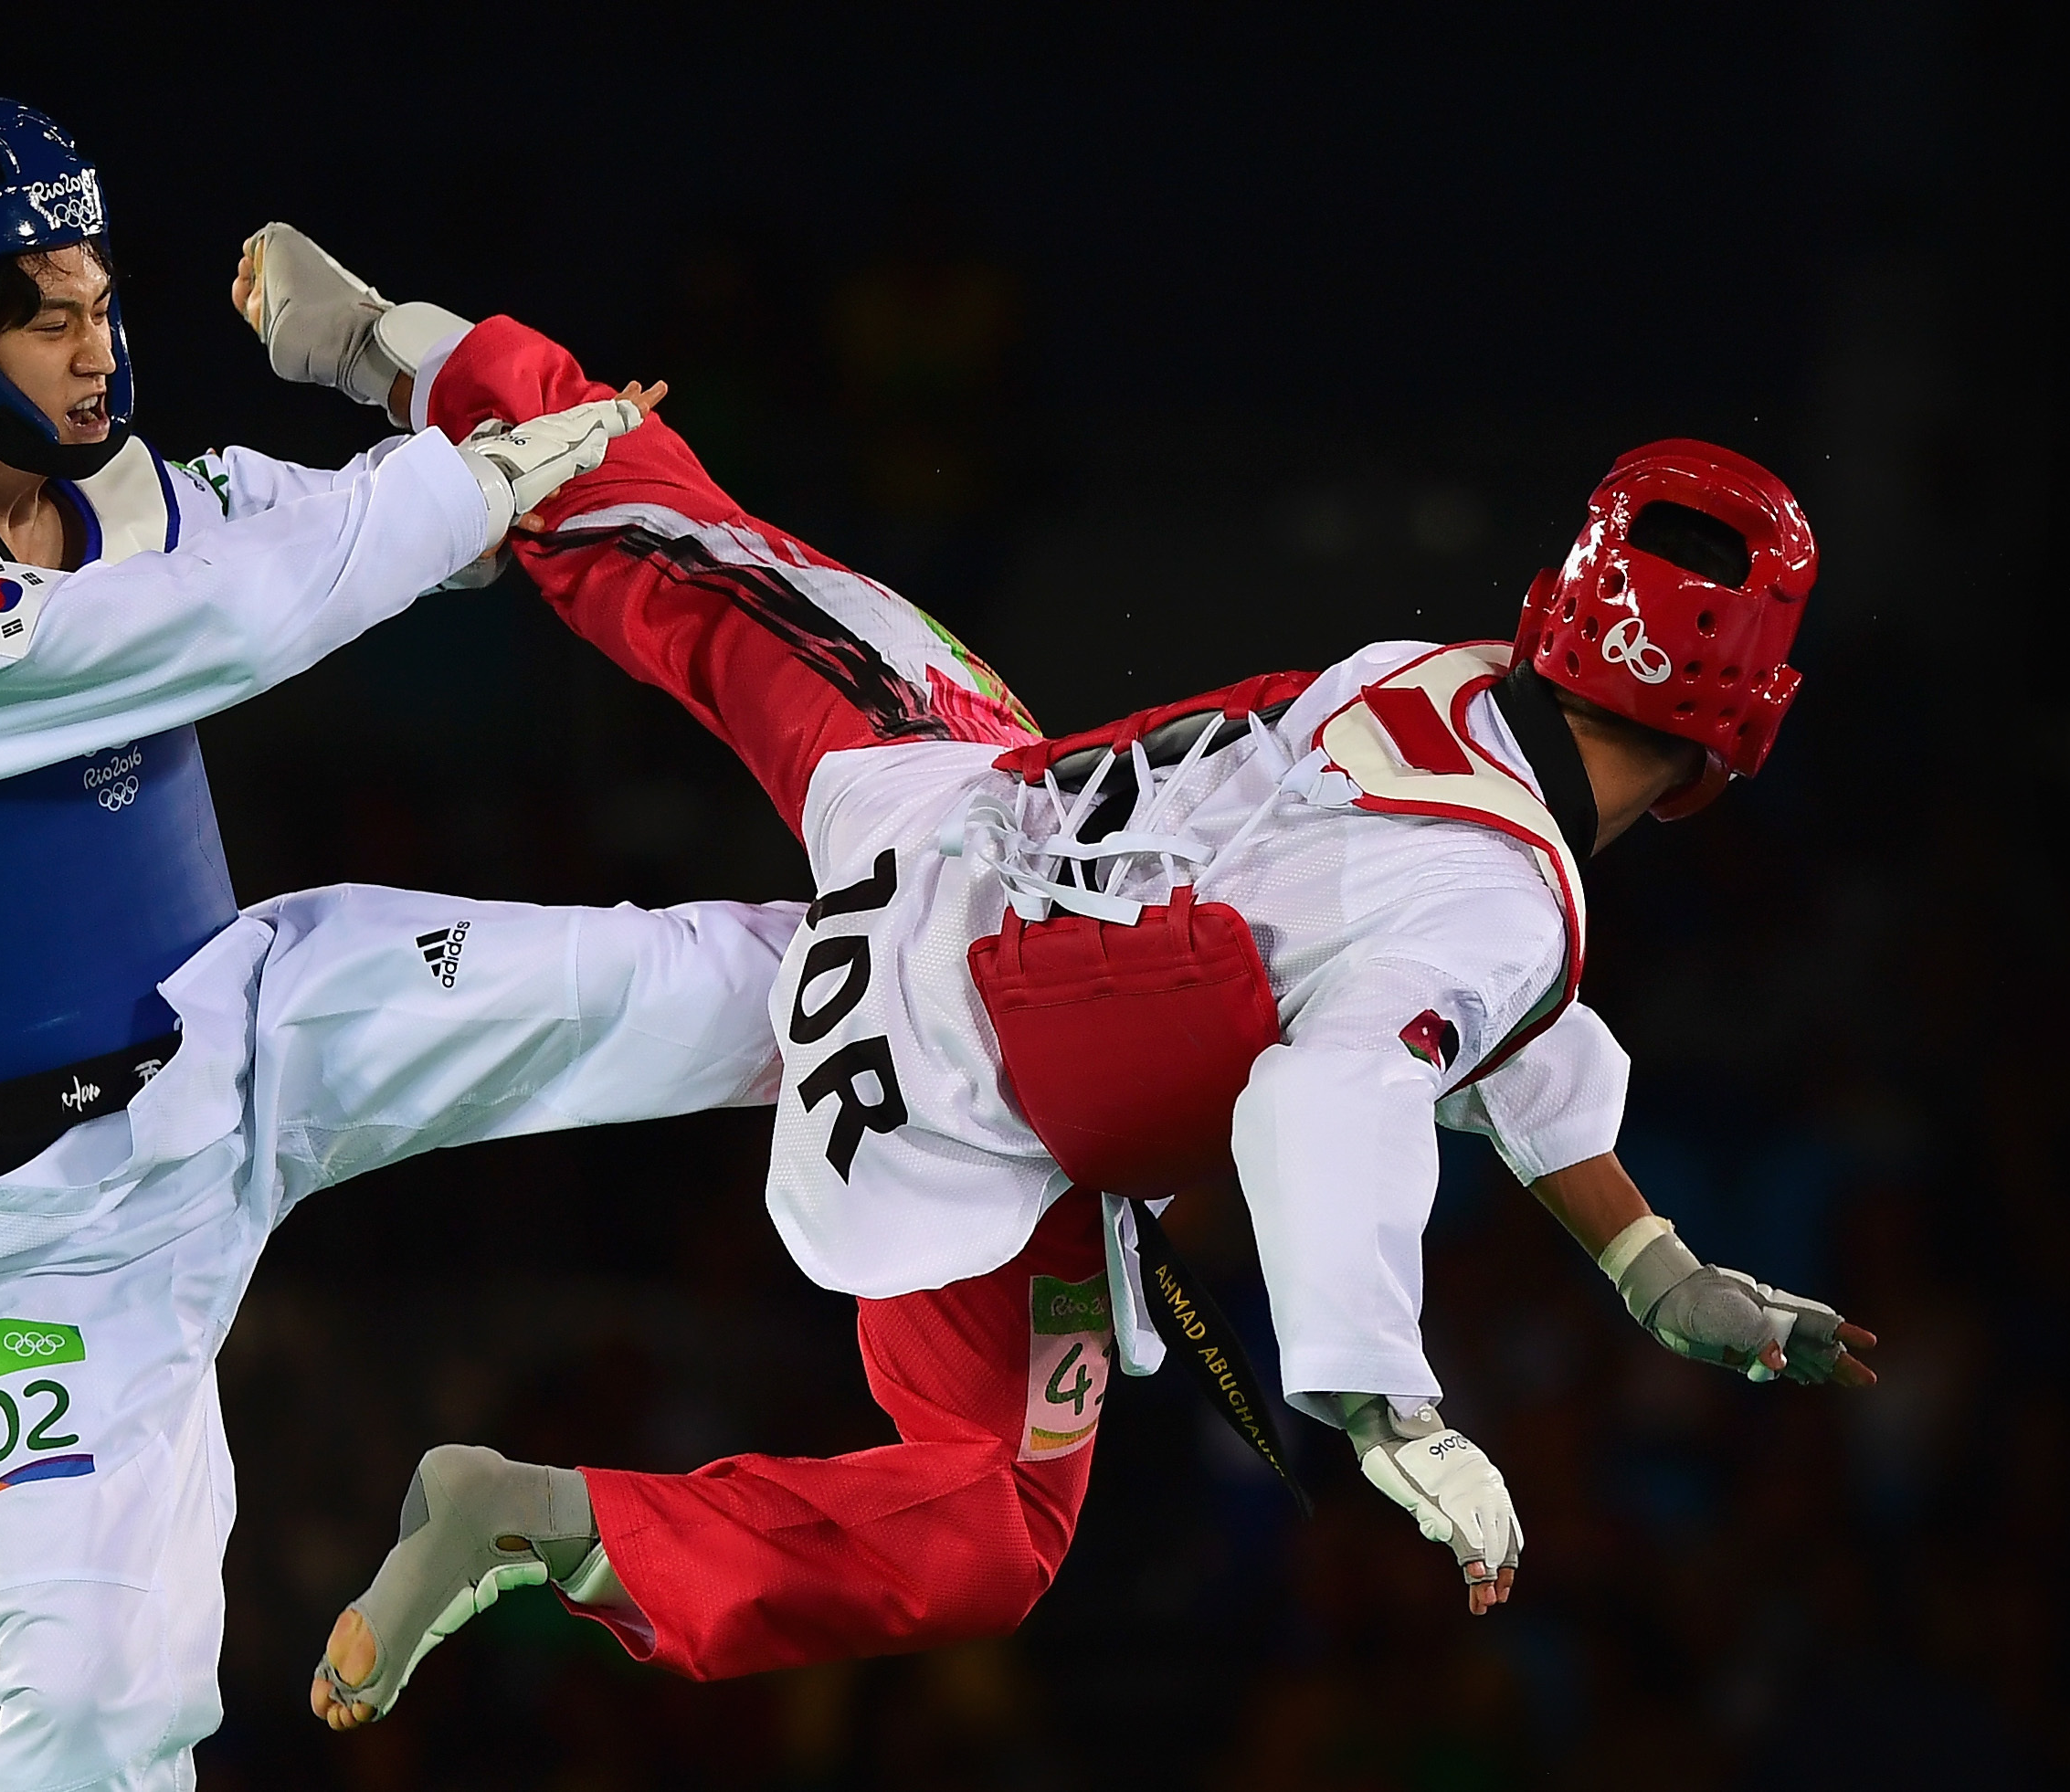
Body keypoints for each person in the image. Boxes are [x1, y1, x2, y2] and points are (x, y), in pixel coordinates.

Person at [236, 229, 1882, 1727]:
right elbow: (1349, 1079)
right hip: (953, 1093)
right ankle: (562, 1522)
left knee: (704, 556)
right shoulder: (1501, 904)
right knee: (991, 1525)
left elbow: (1448, 1001)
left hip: (949, 798)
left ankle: (405, 354)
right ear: (1737, 741)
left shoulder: (1446, 681)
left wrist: (1651, 1262)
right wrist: (1387, 1408)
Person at [0, 103, 806, 1791]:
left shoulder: (141, 498)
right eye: (50, 314)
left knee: (685, 986)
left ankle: (983, 969)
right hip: (52, 1230)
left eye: (106, 302)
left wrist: (447, 381)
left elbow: (382, 531)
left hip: (257, 1019)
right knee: (97, 1719)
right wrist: (459, 492)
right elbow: (235, 622)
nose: (99, 351)